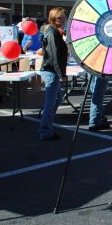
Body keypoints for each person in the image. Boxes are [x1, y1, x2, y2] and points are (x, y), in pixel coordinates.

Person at [38, 8, 68, 141]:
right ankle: (45, 131)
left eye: (64, 16)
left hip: (51, 70)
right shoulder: (52, 33)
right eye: (61, 17)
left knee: (56, 100)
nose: (64, 19)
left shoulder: (54, 31)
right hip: (51, 71)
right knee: (51, 103)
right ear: (55, 19)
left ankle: (47, 123)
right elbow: (55, 56)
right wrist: (61, 74)